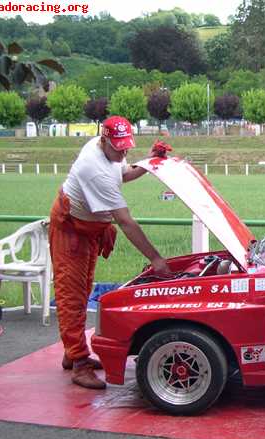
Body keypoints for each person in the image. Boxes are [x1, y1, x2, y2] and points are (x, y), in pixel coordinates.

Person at [49, 116, 171, 390]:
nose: (124, 153)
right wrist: (155, 258)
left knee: (83, 289)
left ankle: (73, 352)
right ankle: (79, 363)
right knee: (72, 294)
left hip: (91, 230)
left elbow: (124, 173)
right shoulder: (94, 169)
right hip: (71, 228)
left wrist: (149, 160)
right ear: (103, 140)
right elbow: (126, 222)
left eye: (127, 147)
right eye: (119, 148)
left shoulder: (109, 155)